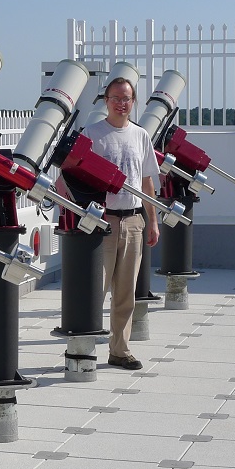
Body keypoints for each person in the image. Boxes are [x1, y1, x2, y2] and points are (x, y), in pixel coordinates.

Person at [85, 77, 160, 370]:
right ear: (106, 100)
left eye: (126, 98)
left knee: (125, 293)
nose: (121, 103)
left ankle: (120, 351)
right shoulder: (92, 134)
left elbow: (146, 182)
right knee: (95, 291)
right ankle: (83, 350)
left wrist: (152, 220)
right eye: (116, 97)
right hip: (103, 224)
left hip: (133, 222)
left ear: (133, 102)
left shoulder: (140, 136)